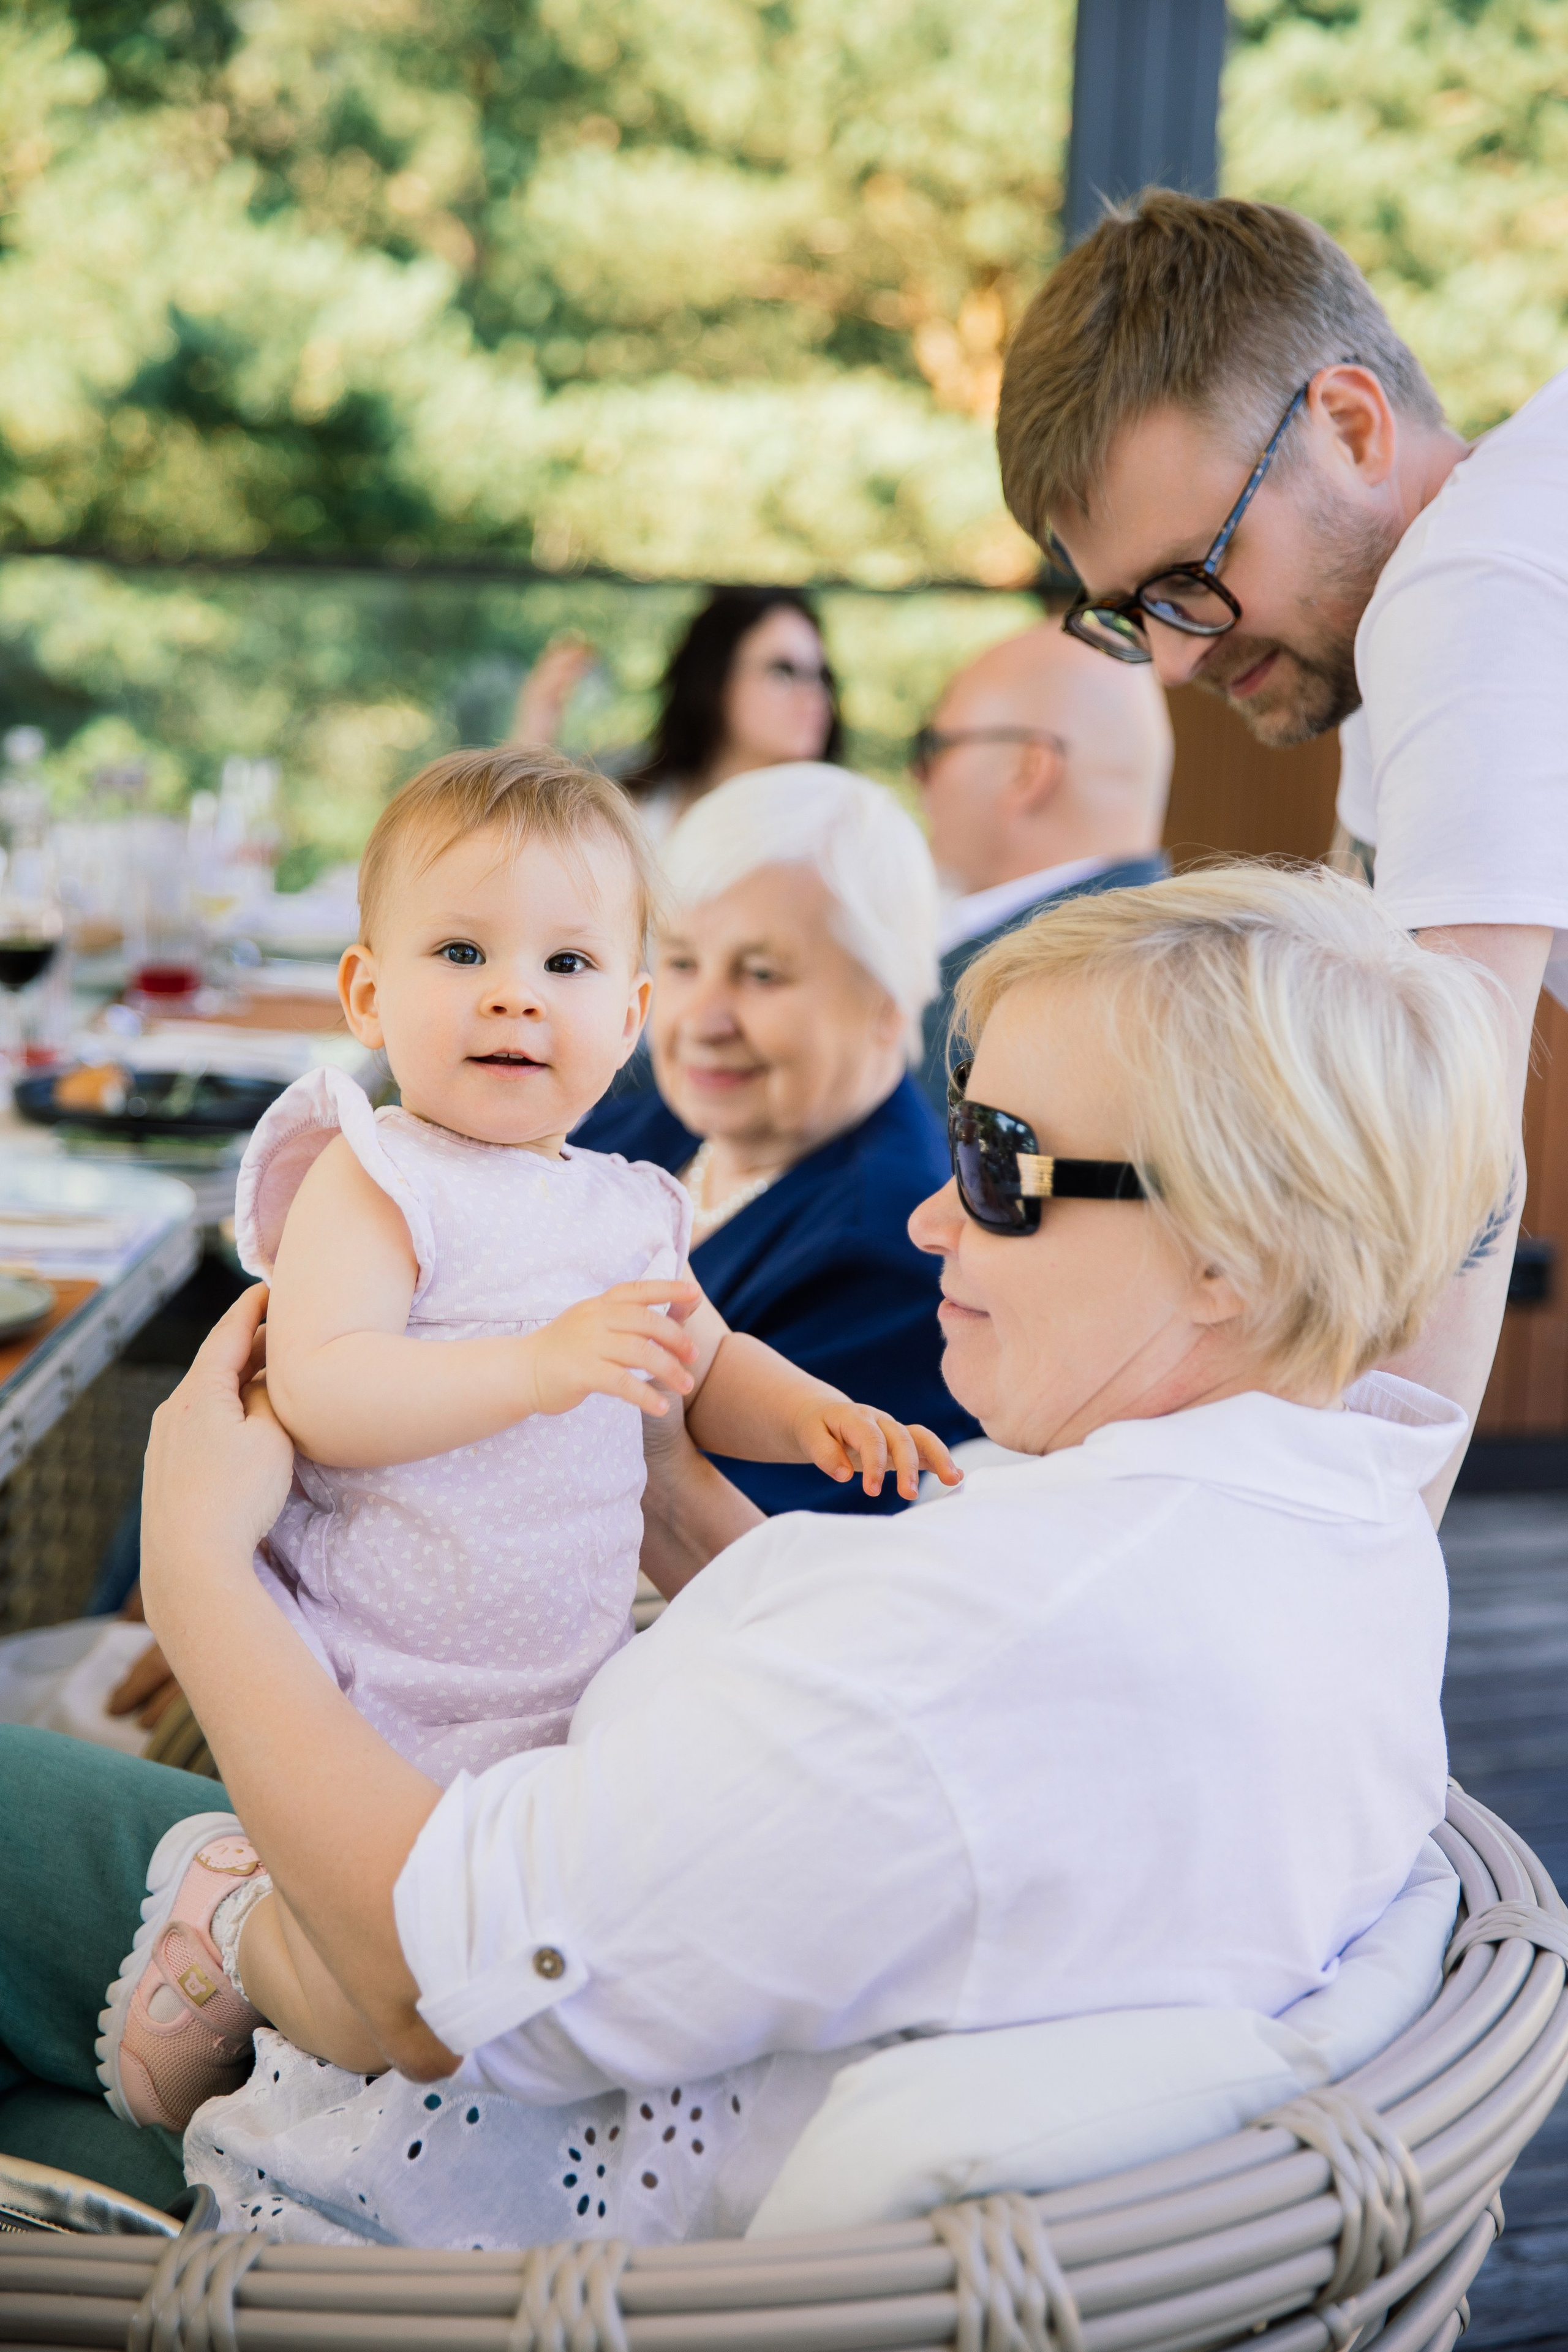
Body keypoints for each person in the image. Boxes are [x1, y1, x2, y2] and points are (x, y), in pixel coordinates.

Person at [0, 864, 1509, 2243]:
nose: (926, 1214)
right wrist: (668, 1484)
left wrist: (200, 1562)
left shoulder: (983, 1642)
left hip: (393, 2219)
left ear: (1226, 1251)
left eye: (995, 1161)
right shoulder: (1325, 1514)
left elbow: (415, 1980)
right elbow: (882, 1757)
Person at [995, 189, 1568, 1512]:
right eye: (1133, 614)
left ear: (1351, 426)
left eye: (1195, 571)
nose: (1181, 658)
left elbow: (1437, 1144)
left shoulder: (1459, 587)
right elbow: (1329, 1072)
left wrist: (1348, 1564)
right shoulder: (1438, 607)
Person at [576, 763, 979, 1513]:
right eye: (684, 962)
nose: (702, 1018)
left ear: (886, 1004)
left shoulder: (886, 1252)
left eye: (760, 975)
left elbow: (749, 1559)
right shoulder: (630, 1125)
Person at [912, 619, 1173, 1111]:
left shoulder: (993, 1003)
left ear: (1027, 771)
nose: (918, 775)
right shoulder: (1193, 973)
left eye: (933, 747)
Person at [511, 588, 842, 845]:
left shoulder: (837, 833)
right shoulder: (631, 808)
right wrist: (532, 737)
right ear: (715, 677)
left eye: (821, 676)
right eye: (783, 671)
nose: (814, 697)